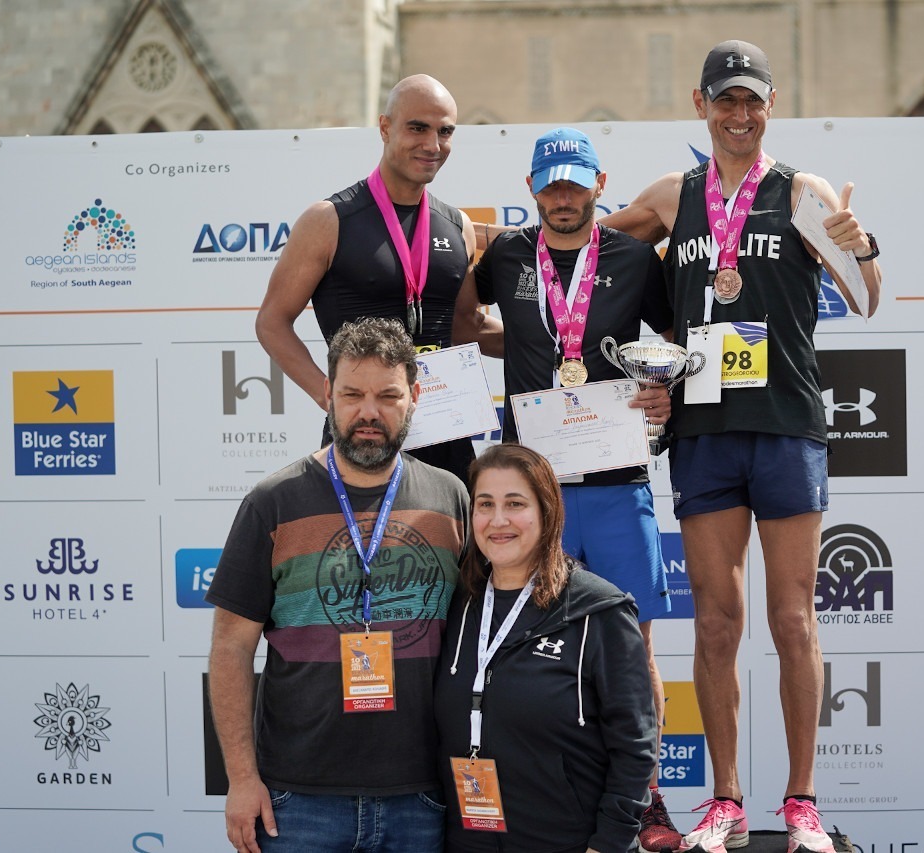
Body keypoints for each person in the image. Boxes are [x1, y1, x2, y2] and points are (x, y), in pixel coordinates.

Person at [597, 40, 884, 853]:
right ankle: (724, 800)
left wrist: (858, 244)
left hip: (786, 425)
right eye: (726, 99)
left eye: (753, 99)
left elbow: (866, 299)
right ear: (701, 105)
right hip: (704, 433)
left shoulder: (801, 191)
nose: (740, 114)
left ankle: (802, 804)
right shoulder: (672, 195)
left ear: (770, 106)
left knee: (793, 620)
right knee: (717, 624)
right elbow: (585, 249)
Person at [453, 127, 684, 851]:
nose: (563, 198)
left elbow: (678, 344)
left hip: (615, 478)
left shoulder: (633, 258)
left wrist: (664, 394)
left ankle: (648, 799)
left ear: (598, 185)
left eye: (575, 185)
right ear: (531, 189)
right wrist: (510, 347)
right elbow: (462, 316)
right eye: (551, 185)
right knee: (519, 647)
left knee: (634, 647)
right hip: (530, 488)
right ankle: (534, 794)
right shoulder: (506, 256)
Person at [207, 317, 468, 853]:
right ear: (327, 394)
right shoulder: (272, 503)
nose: (369, 412)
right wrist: (242, 778)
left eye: (388, 396)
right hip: (296, 800)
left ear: (415, 398)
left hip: (422, 798)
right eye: (352, 395)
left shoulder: (452, 498)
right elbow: (231, 648)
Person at [256, 74, 492, 485]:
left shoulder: (459, 225)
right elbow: (272, 322)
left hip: (445, 438)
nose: (432, 145)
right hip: (362, 434)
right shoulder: (328, 220)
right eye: (417, 128)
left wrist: (552, 343)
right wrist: (330, 396)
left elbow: (467, 325)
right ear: (385, 128)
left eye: (445, 132)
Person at [434, 442, 657, 853]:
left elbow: (635, 745)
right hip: (466, 842)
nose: (498, 520)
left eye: (515, 504)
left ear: (547, 512)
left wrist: (608, 843)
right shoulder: (455, 603)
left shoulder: (599, 610)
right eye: (485, 504)